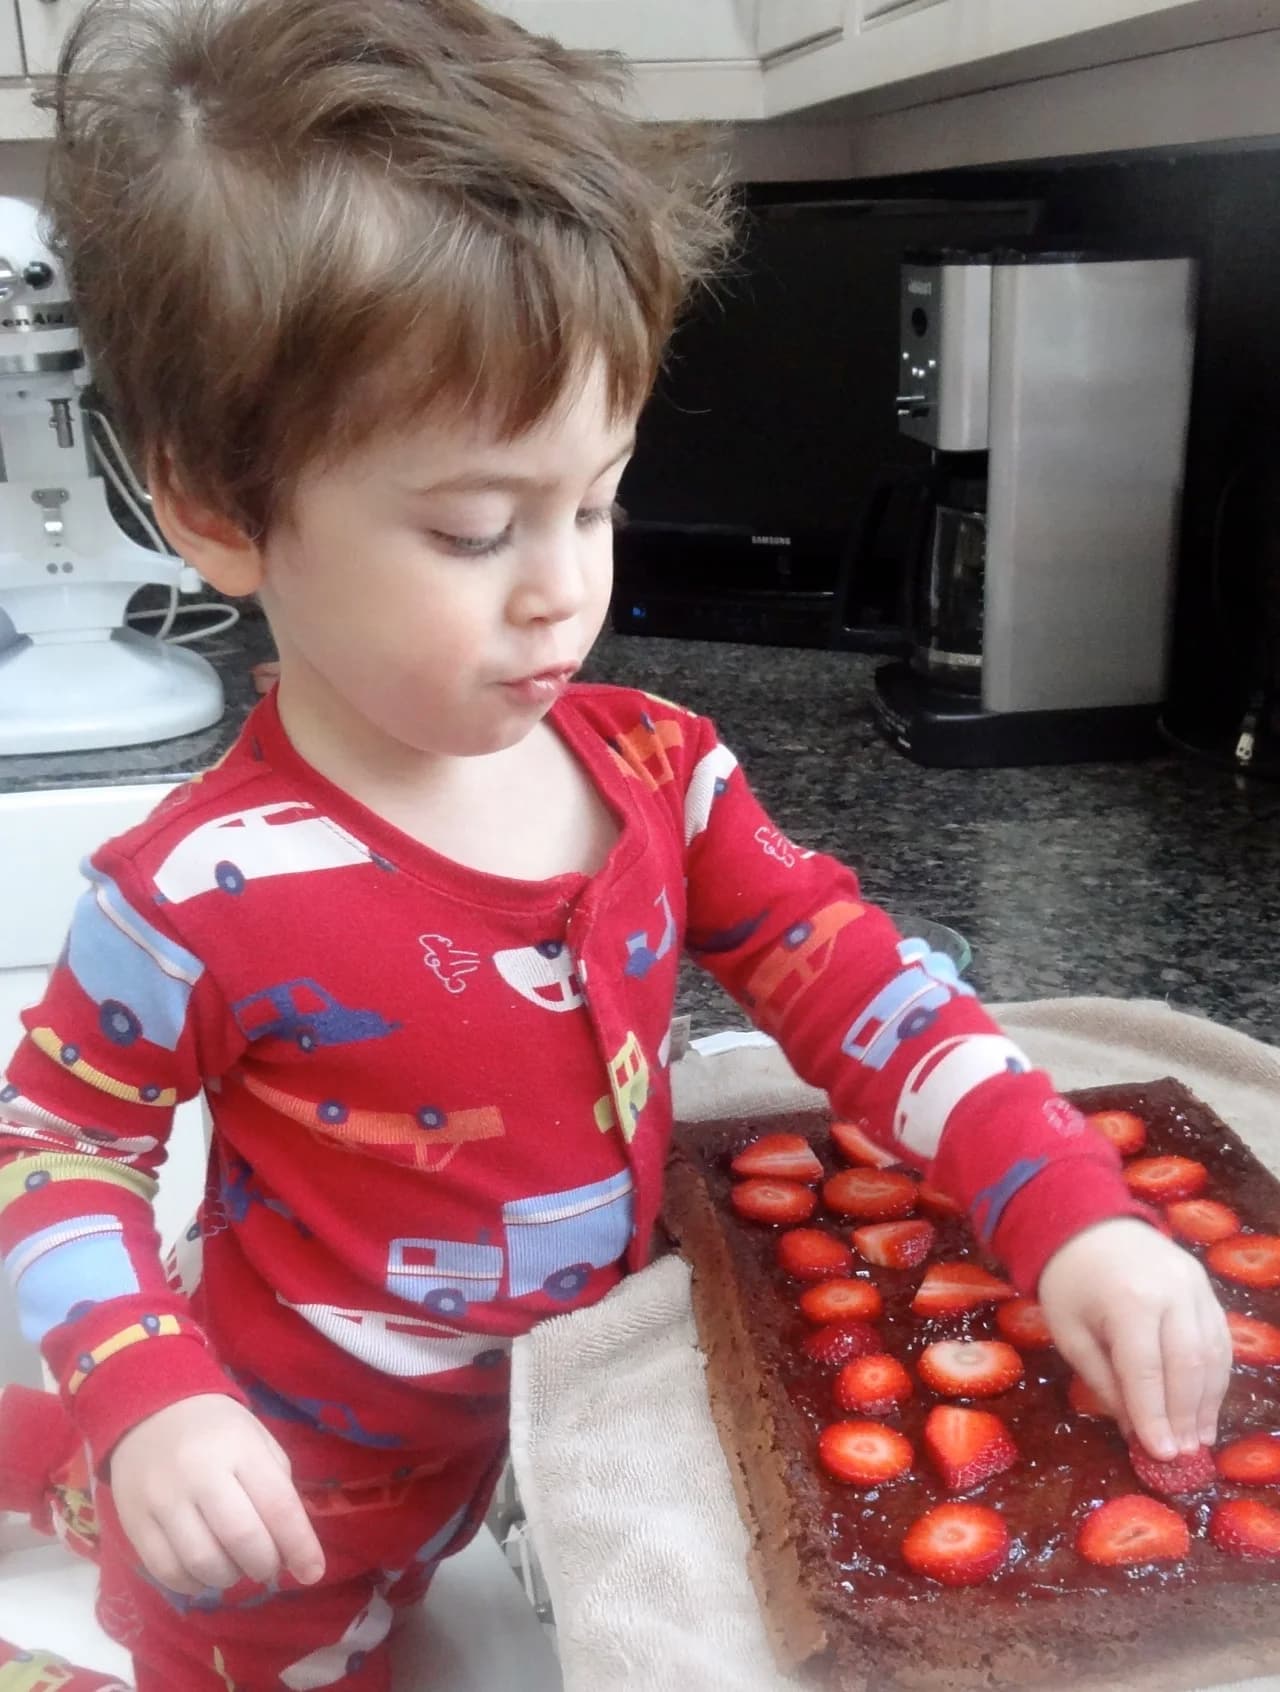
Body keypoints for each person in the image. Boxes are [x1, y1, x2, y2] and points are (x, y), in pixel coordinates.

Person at [0, 0, 1231, 1686]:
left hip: (550, 1424)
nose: (562, 583)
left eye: (593, 497)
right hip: (287, 1494)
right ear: (217, 507)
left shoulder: (665, 771)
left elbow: (867, 992)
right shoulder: (193, 897)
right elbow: (60, 1156)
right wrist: (150, 1400)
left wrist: (1071, 1211)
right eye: (473, 526)